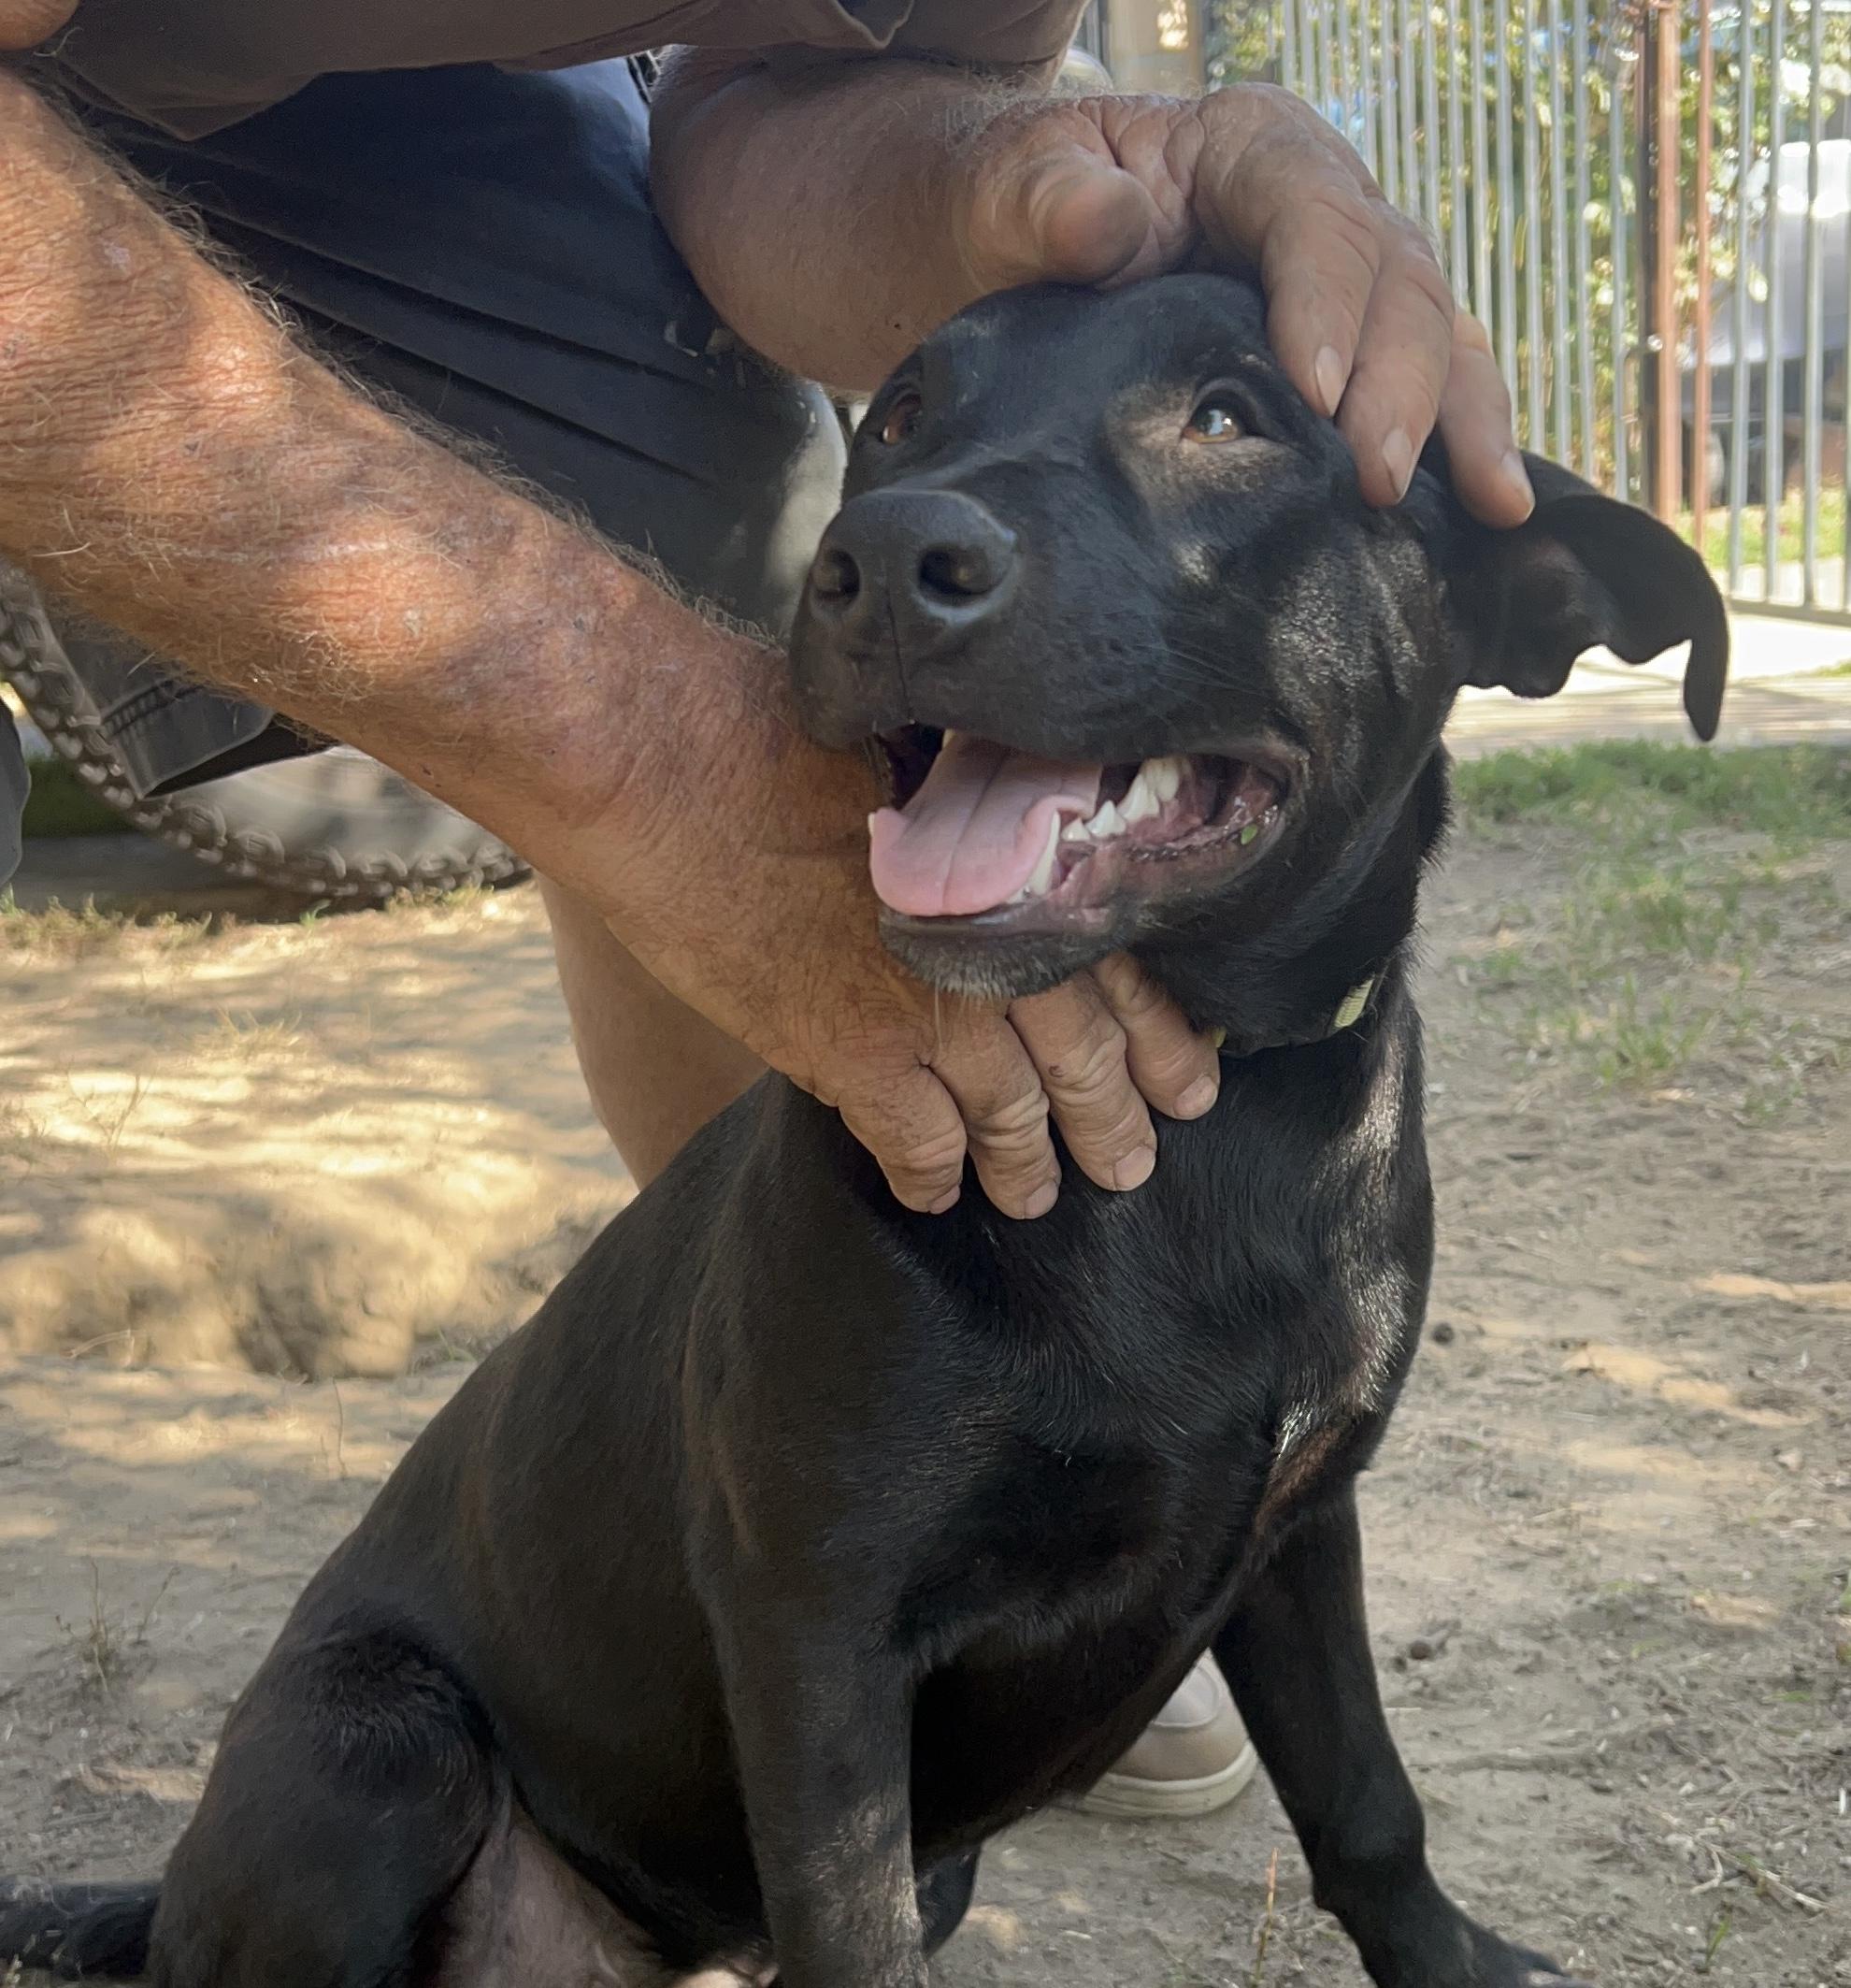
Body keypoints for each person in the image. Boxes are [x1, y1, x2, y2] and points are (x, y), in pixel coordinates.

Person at [0, 0, 1527, 1818]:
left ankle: (875, 1495)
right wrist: (639, 752)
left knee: (719, 493)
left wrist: (997, 182)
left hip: (395, 100)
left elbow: (761, 103)